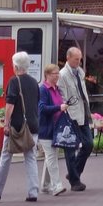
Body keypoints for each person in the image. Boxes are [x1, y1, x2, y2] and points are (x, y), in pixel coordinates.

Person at [0, 51, 42, 202]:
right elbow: (36, 102)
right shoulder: (34, 82)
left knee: (6, 156)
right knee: (30, 157)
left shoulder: (14, 81)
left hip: (17, 126)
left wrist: (6, 123)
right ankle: (33, 192)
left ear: (16, 66)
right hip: (33, 125)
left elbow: (10, 105)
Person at [57, 46, 94, 192]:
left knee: (89, 144)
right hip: (71, 115)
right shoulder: (63, 75)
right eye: (76, 59)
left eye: (80, 59)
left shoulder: (80, 72)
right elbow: (63, 97)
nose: (79, 62)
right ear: (68, 58)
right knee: (70, 148)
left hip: (83, 113)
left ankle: (75, 173)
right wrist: (67, 114)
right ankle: (74, 181)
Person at [35, 66, 69, 198]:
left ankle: (45, 185)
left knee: (51, 157)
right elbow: (42, 108)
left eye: (58, 74)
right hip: (45, 128)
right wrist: (58, 107)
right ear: (47, 75)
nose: (57, 76)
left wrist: (63, 106)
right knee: (51, 157)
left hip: (56, 128)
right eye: (54, 74)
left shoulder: (57, 89)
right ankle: (57, 185)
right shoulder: (43, 89)